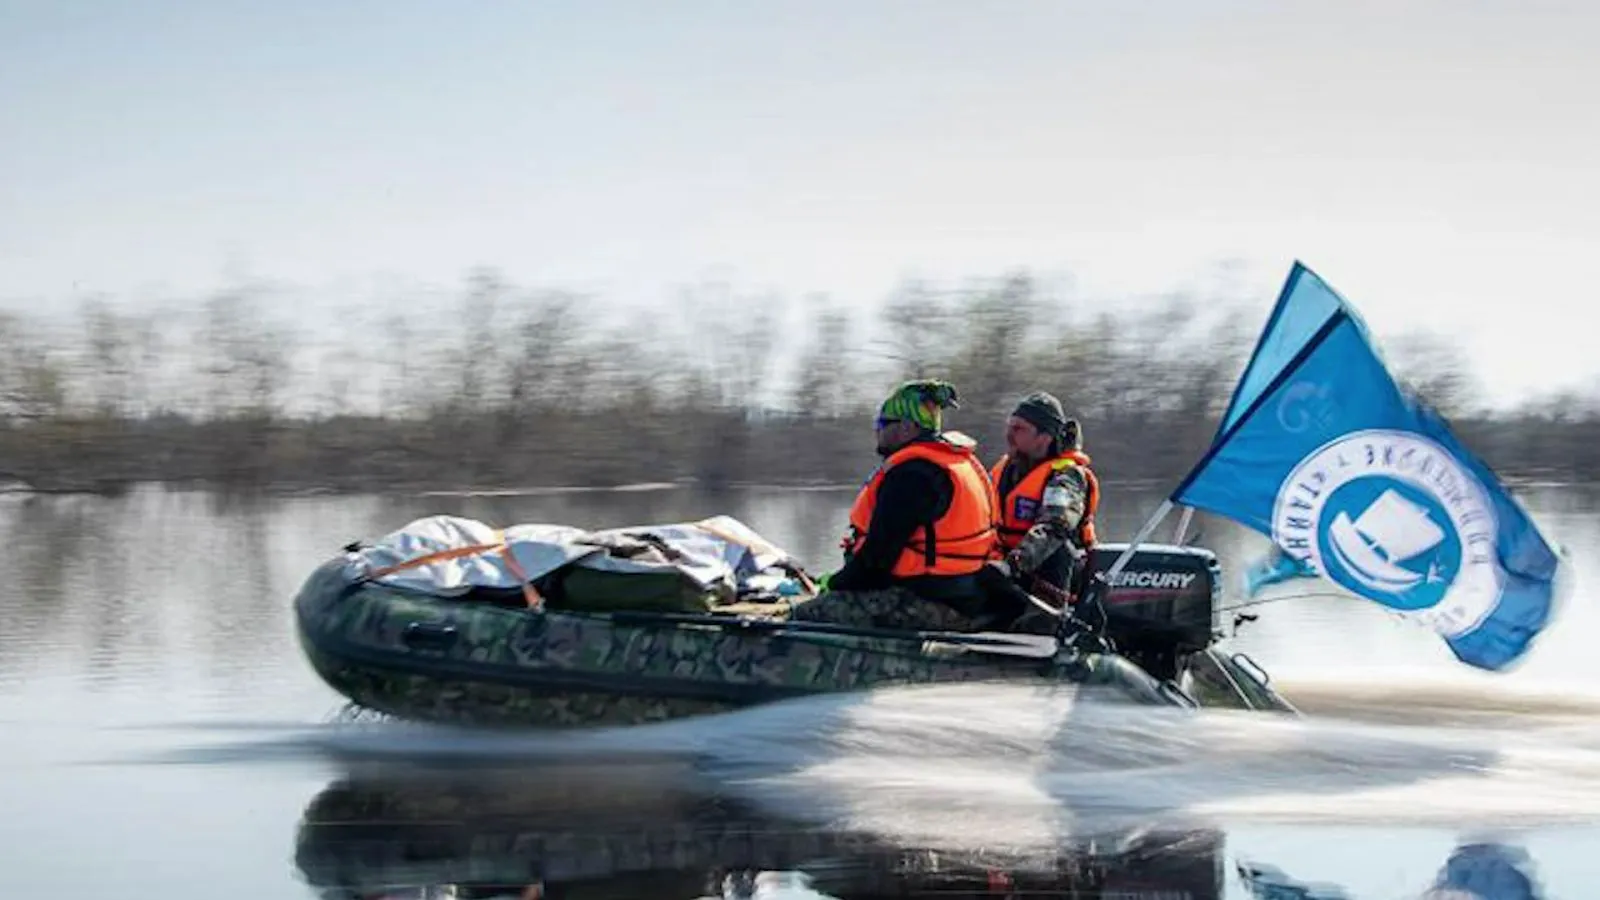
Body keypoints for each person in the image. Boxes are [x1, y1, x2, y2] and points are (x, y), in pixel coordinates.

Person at [790, 379, 1016, 632]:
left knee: (806, 613)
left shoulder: (912, 475)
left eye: (883, 423)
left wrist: (833, 584)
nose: (877, 429)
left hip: (929, 598)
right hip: (963, 592)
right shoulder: (957, 463)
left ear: (907, 427)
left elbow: (876, 562)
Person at [985, 391, 1100, 605]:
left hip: (1049, 576)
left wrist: (1014, 565)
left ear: (1044, 437)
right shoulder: (1003, 471)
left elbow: (1055, 526)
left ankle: (1044, 629)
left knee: (1060, 550)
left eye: (1019, 429)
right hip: (1002, 569)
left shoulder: (1066, 476)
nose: (1009, 435)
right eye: (1009, 427)